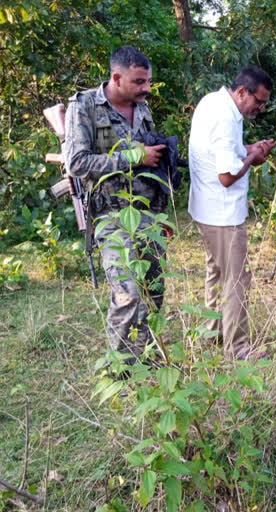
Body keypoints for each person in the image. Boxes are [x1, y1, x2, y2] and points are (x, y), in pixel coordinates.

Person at [63, 46, 169, 364]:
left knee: (154, 288)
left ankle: (147, 355)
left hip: (146, 212)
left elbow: (152, 166)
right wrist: (132, 157)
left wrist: (161, 213)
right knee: (127, 293)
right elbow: (76, 162)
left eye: (148, 81)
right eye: (139, 82)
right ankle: (121, 368)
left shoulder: (143, 108)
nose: (146, 89)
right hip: (111, 213)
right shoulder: (84, 106)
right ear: (116, 77)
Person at [188, 67, 276, 360]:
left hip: (206, 208)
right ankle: (238, 348)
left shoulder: (213, 102)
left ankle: (210, 335)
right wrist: (253, 157)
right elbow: (226, 176)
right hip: (222, 213)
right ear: (242, 92)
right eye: (259, 102)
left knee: (217, 273)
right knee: (236, 279)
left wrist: (250, 148)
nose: (260, 109)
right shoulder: (227, 118)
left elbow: (223, 151)